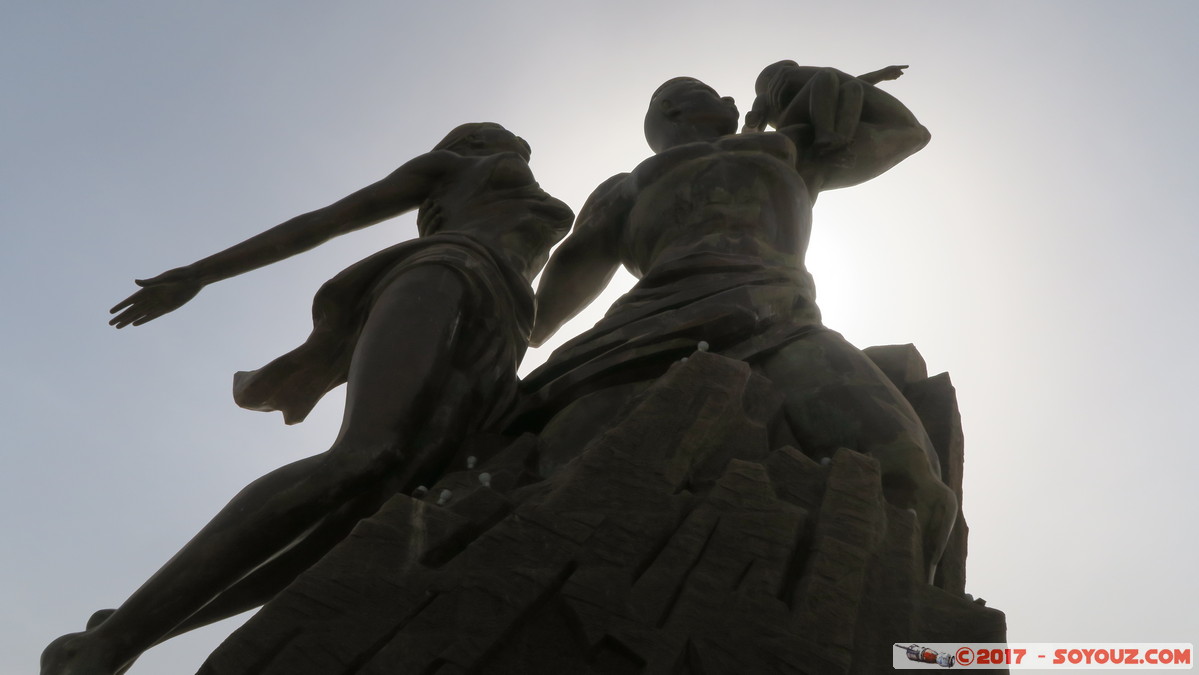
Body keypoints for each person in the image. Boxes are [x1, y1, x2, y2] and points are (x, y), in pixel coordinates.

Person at [41, 122, 573, 675]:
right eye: (497, 135)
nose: (520, 145)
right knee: (366, 456)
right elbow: (328, 220)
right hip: (447, 274)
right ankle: (113, 641)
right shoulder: (455, 167)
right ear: (469, 143)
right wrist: (200, 274)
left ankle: (123, 631)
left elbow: (557, 307)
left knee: (377, 512)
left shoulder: (533, 200)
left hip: (507, 328)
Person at [510, 76, 955, 582]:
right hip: (643, 333)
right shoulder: (627, 187)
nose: (728, 98)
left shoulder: (787, 147)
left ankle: (868, 615)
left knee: (908, 475)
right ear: (670, 109)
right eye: (707, 91)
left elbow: (903, 131)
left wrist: (793, 82)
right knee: (558, 480)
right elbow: (540, 317)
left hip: (781, 320)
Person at [742, 60, 910, 157]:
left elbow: (854, 81)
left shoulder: (810, 91)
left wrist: (882, 74)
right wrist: (752, 123)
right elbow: (753, 126)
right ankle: (824, 136)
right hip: (789, 122)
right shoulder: (766, 98)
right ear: (769, 77)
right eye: (789, 69)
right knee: (826, 76)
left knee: (852, 87)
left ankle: (842, 144)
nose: (796, 72)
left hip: (815, 116)